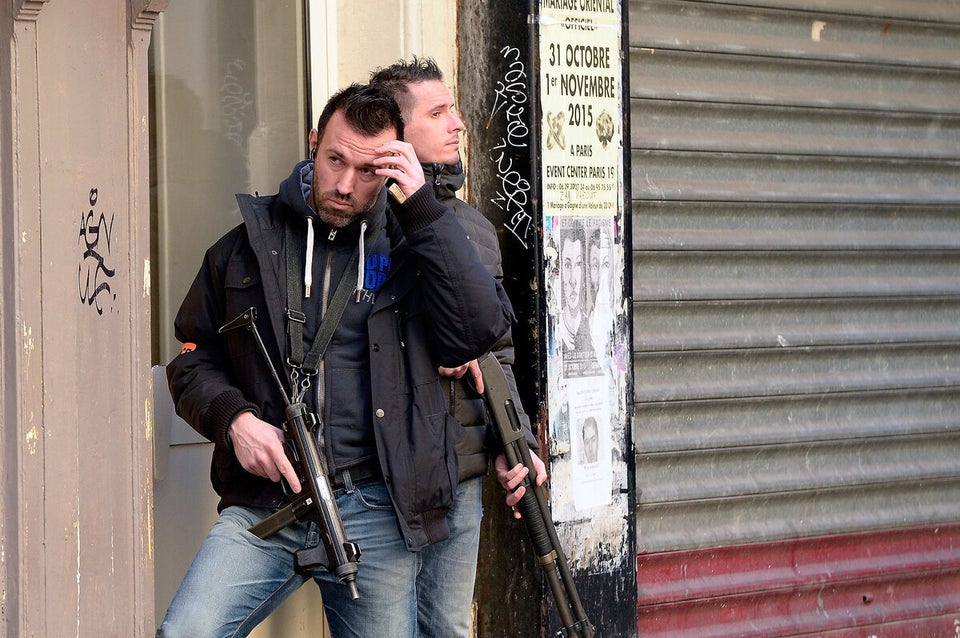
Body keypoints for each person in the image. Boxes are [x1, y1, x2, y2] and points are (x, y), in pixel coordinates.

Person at [157, 83, 515, 638]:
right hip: (267, 504)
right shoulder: (249, 244)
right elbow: (190, 355)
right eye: (334, 160)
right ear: (313, 143)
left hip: (376, 507)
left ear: (396, 167)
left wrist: (421, 206)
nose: (345, 185)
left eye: (369, 170)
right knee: (186, 631)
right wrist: (234, 419)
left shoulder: (417, 245)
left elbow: (478, 332)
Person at [369, 57, 545, 637]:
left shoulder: (472, 228)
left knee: (448, 628)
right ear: (397, 133)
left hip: (462, 476)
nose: (458, 124)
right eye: (438, 112)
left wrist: (508, 440)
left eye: (455, 110)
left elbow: (499, 354)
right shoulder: (365, 221)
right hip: (383, 483)